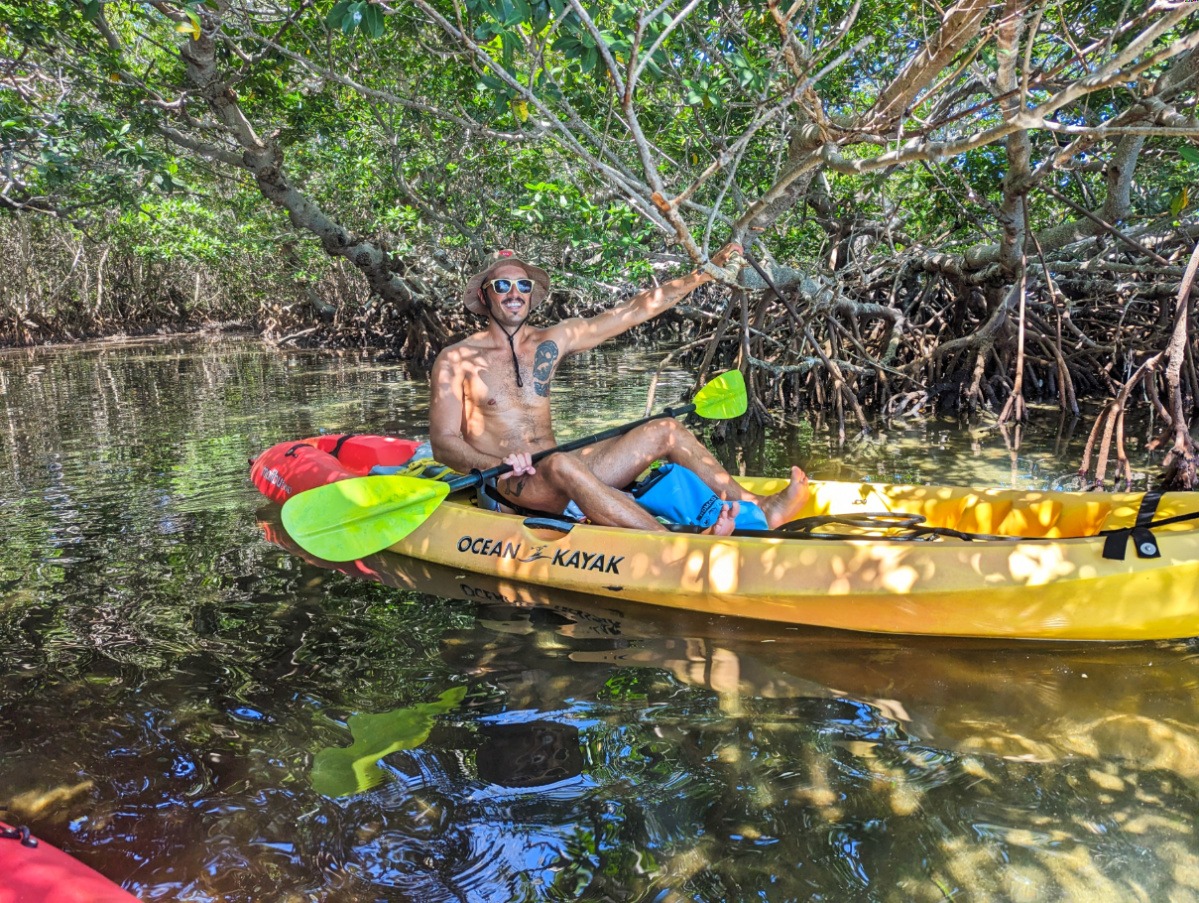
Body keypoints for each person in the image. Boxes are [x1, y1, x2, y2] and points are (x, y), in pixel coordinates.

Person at [428, 246, 809, 535]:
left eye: (523, 284)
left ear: (531, 294)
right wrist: (495, 464)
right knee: (562, 464)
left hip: (563, 469)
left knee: (666, 429)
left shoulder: (553, 339)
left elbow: (632, 310)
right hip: (513, 484)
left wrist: (703, 274)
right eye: (503, 285)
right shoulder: (456, 359)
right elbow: (444, 442)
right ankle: (672, 545)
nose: (514, 292)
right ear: (485, 295)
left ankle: (759, 509)